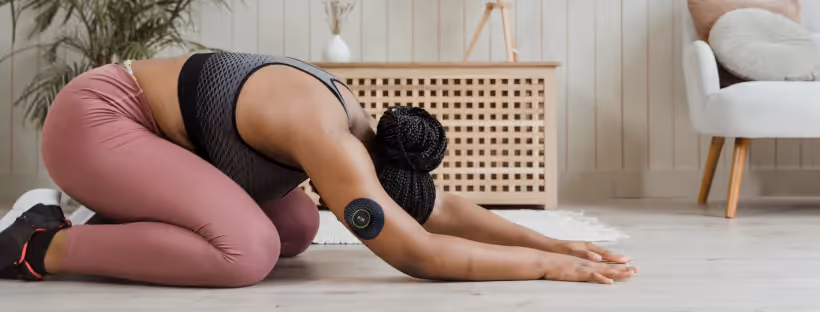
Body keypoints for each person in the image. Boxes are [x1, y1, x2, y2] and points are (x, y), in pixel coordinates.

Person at [0, 53, 637, 286]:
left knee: (298, 227)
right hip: (99, 120)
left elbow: (434, 210)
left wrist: (549, 239)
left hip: (165, 138)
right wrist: (553, 269)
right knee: (244, 253)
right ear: (371, 170)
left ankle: (111, 215)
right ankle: (40, 244)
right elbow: (418, 253)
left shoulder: (370, 133)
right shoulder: (328, 138)